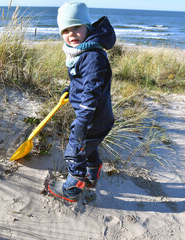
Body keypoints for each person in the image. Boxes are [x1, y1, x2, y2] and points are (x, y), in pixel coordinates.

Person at [48, 2, 116, 202]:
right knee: (88, 146)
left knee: (76, 150)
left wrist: (82, 123)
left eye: (76, 28)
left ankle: (72, 189)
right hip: (96, 116)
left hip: (92, 117)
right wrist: (71, 90)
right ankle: (93, 174)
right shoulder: (83, 52)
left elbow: (92, 91)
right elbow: (84, 82)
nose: (71, 34)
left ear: (87, 27)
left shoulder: (92, 56)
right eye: (66, 30)